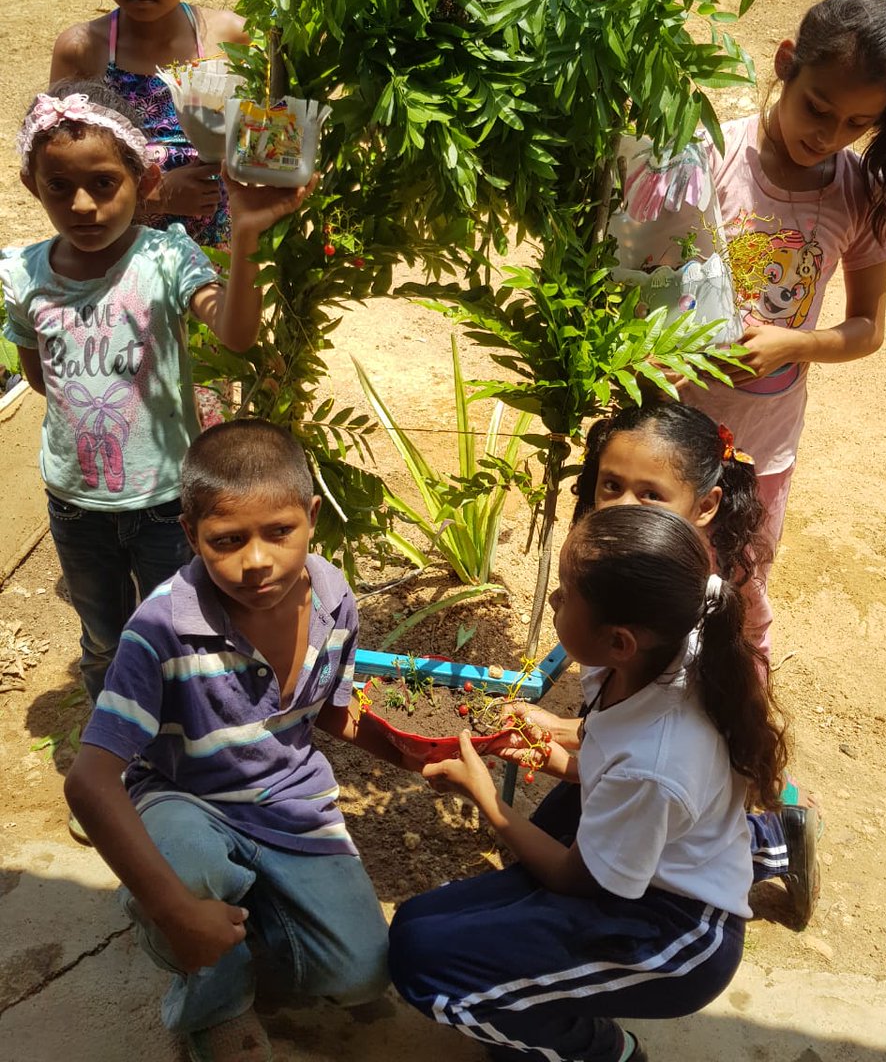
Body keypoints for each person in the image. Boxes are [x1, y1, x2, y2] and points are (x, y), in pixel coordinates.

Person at [65, 420, 415, 1062]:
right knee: (186, 879)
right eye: (227, 541)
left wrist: (410, 751)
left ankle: (244, 916)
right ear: (190, 534)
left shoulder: (335, 597)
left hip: (291, 802)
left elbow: (329, 711)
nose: (256, 561)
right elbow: (89, 782)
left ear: (311, 517)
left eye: (279, 532)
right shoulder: (160, 629)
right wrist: (172, 909)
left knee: (361, 974)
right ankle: (213, 1000)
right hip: (187, 796)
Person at [390, 505, 788, 1062]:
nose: (554, 601)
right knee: (416, 925)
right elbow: (615, 750)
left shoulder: (655, 764)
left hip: (671, 937)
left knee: (425, 966)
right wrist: (556, 736)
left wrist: (484, 795)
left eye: (564, 594)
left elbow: (576, 877)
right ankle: (777, 839)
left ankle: (601, 1051)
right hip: (646, 864)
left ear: (620, 641)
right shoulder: (670, 642)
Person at [1, 79, 316, 716]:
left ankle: (189, 744)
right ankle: (120, 758)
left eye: (103, 183)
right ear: (35, 188)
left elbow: (233, 331)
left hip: (166, 501)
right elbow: (41, 380)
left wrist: (247, 235)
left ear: (144, 182)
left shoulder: (165, 259)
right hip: (73, 503)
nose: (83, 205)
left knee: (185, 632)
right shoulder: (22, 274)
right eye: (59, 187)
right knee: (103, 639)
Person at [680, 0, 886, 654]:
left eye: (855, 124)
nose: (828, 136)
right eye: (818, 108)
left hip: (763, 450)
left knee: (741, 600)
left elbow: (868, 328)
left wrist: (793, 344)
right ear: (785, 65)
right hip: (672, 435)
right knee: (658, 582)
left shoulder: (857, 194)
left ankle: (745, 737)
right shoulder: (711, 156)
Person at [552, 401, 818, 926]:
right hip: (653, 755)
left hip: (695, 762)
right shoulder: (607, 562)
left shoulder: (700, 611)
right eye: (611, 485)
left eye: (651, 494)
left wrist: (572, 738)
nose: (624, 506)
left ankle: (775, 834)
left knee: (624, 842)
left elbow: (692, 734)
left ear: (705, 505)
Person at [50, 0, 247, 249]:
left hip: (219, 262)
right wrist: (156, 196)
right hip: (121, 264)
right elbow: (57, 175)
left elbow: (269, 141)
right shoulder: (82, 51)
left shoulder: (232, 40)